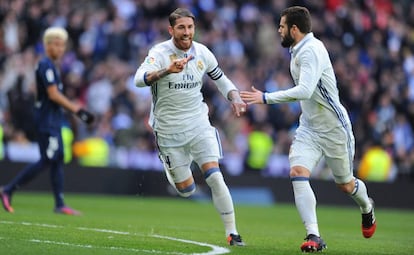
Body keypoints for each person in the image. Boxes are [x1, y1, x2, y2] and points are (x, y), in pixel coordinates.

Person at [240, 6, 376, 252]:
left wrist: (266, 98)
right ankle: (314, 235)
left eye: (282, 26)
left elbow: (305, 90)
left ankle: (367, 207)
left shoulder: (311, 51)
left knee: (345, 185)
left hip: (334, 128)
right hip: (309, 128)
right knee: (297, 172)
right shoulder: (298, 50)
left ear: (294, 29)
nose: (278, 30)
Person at [134, 8, 246, 246]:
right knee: (186, 190)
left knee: (215, 177)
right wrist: (166, 71)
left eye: (190, 27)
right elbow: (138, 79)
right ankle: (171, 167)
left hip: (198, 125)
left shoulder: (203, 52)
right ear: (171, 29)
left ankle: (233, 233)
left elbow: (221, 78)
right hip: (168, 131)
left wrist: (234, 96)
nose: (187, 32)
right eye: (181, 27)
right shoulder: (160, 53)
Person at [0, 27, 94, 215]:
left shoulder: (53, 67)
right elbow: (53, 94)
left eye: (62, 45)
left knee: (57, 158)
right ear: (47, 45)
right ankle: (8, 189)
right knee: (48, 159)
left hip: (54, 121)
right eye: (56, 44)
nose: (60, 49)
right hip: (46, 122)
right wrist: (77, 110)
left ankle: (59, 203)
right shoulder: (45, 65)